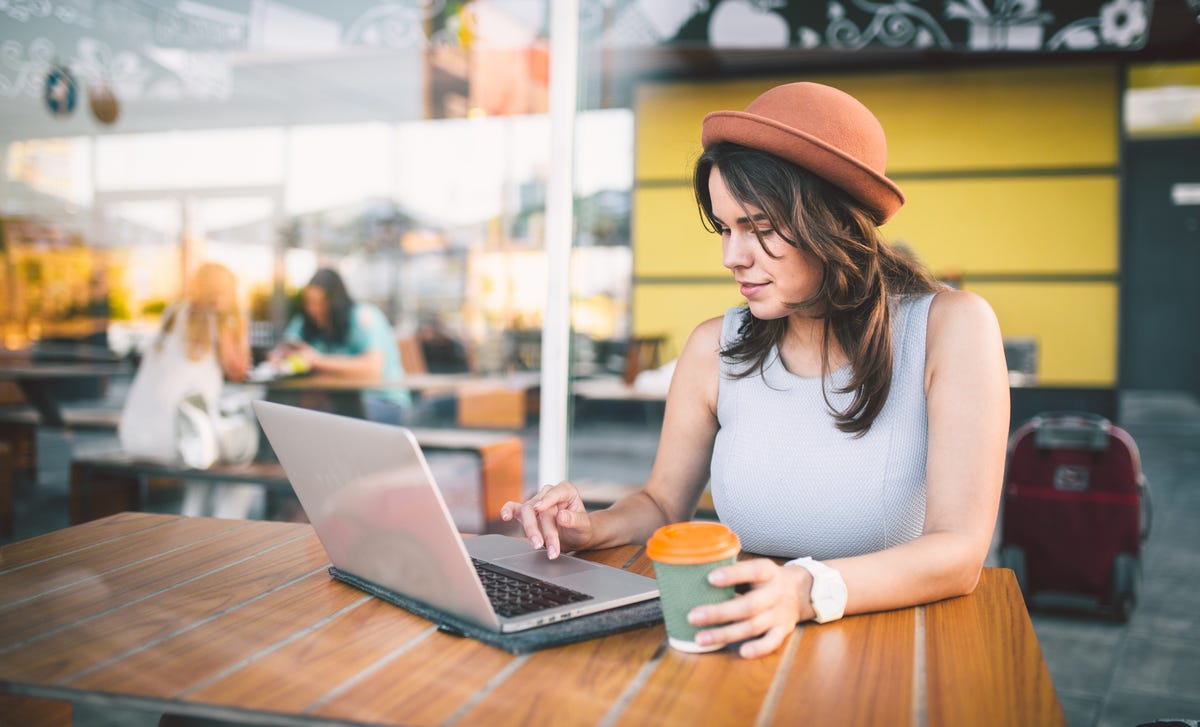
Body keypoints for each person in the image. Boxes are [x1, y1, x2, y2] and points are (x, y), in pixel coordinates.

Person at [501, 82, 1010, 658]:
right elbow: (663, 505)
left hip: (895, 646)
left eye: (761, 229)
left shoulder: (949, 329)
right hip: (750, 632)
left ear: (835, 223)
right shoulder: (713, 348)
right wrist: (592, 528)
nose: (732, 257)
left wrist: (802, 591)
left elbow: (959, 551)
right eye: (725, 228)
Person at [118, 262, 263, 519]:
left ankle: (193, 514)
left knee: (206, 445)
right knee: (247, 454)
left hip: (136, 437)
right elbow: (239, 370)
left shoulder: (173, 313)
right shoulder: (219, 319)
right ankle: (228, 523)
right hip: (181, 439)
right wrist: (240, 326)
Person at [268, 267, 410, 423]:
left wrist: (315, 360)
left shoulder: (363, 316)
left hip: (380, 400)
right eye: (309, 303)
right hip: (333, 398)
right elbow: (285, 349)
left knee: (328, 415)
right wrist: (279, 358)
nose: (314, 309)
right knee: (277, 407)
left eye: (321, 303)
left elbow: (372, 369)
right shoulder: (304, 322)